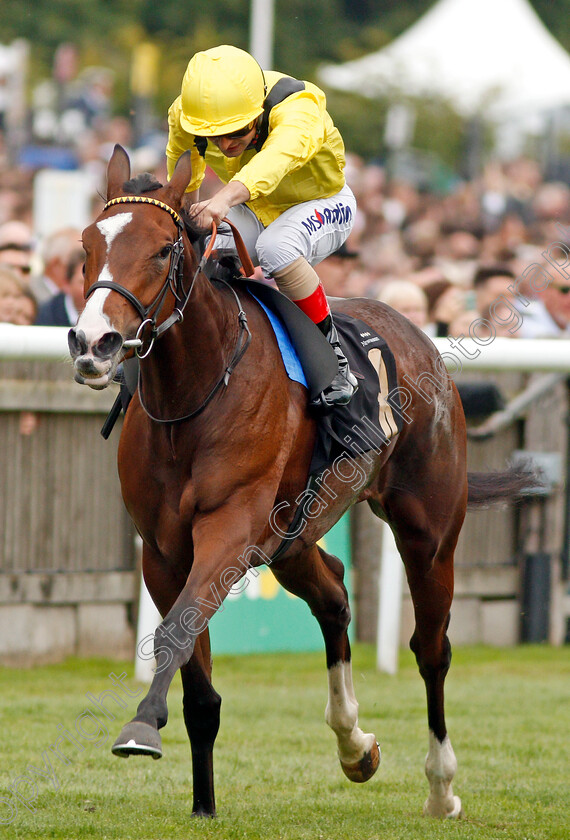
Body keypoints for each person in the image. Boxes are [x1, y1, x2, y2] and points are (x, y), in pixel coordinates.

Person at [166, 44, 357, 406]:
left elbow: (273, 162)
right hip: (255, 205)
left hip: (322, 203)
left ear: (256, 113)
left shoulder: (300, 107)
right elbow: (182, 166)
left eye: (235, 132)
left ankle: (333, 359)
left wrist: (221, 199)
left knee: (276, 247)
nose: (225, 145)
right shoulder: (187, 113)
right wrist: (183, 222)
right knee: (189, 250)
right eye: (214, 136)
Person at [35, 248, 85, 326]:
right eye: (84, 283)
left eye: (97, 282)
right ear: (66, 284)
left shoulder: (108, 317)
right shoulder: (45, 317)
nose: (93, 289)